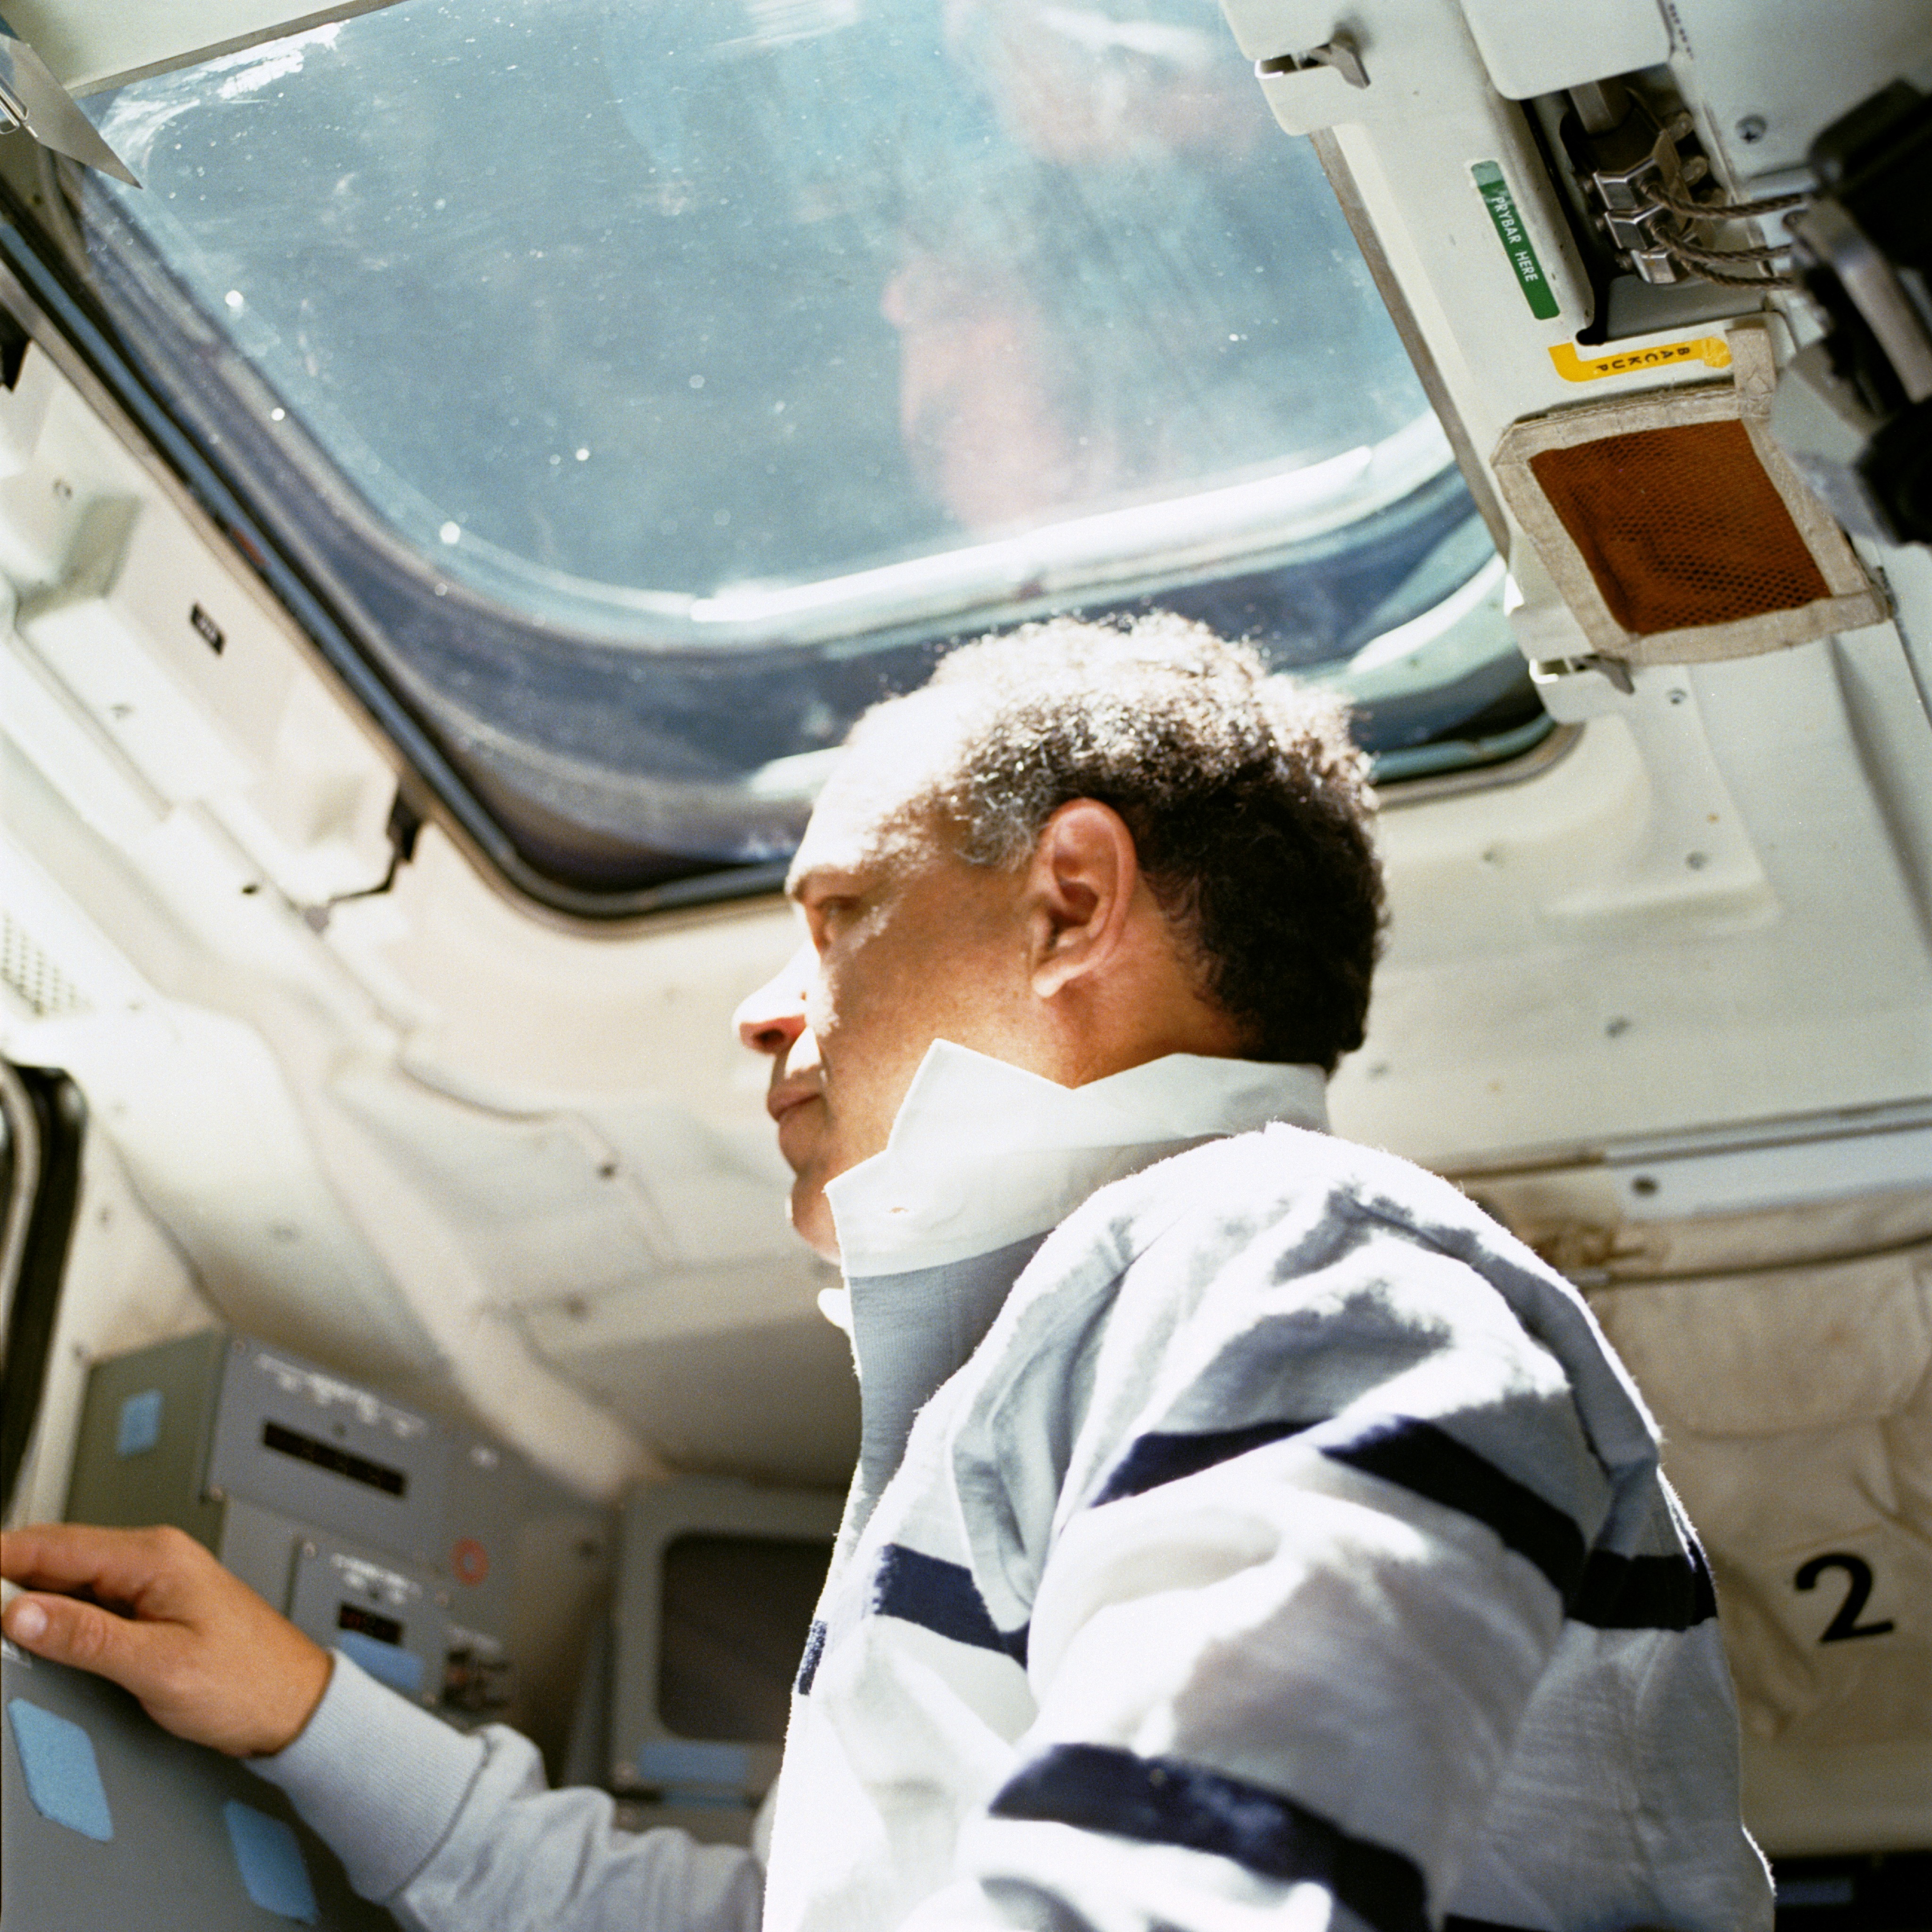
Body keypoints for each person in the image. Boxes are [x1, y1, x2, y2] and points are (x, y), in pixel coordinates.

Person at [2, 618, 1772, 1932]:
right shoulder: (1069, 1350)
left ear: (1074, 904)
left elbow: (1191, 1904)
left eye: (841, 911)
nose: (767, 1004)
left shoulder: (1288, 1269)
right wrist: (312, 1719)